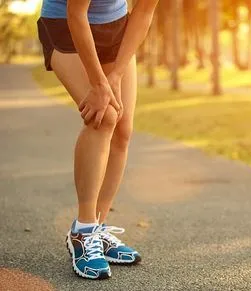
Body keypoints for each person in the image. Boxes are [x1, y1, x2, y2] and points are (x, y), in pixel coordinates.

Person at [37, 0, 159, 280]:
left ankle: (98, 228)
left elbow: (144, 11)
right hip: (66, 28)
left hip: (116, 28)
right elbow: (76, 13)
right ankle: (83, 230)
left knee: (123, 128)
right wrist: (100, 84)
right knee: (103, 117)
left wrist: (115, 75)